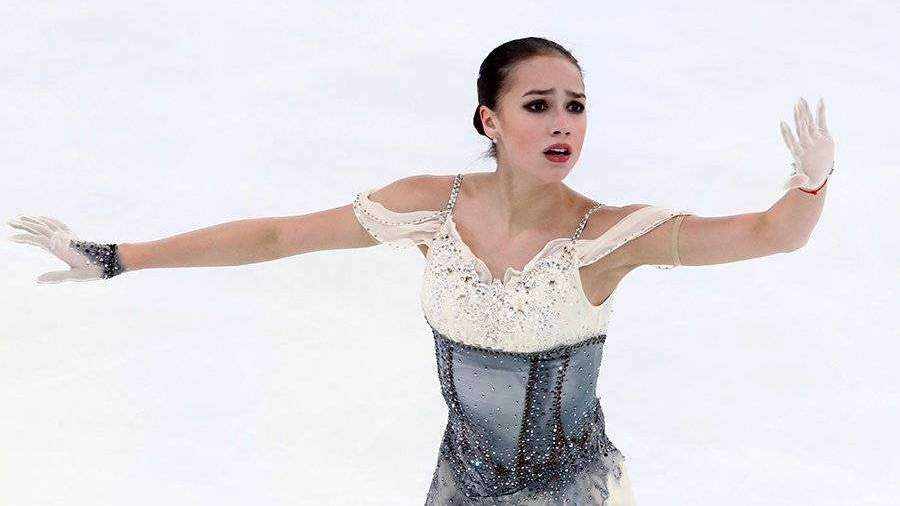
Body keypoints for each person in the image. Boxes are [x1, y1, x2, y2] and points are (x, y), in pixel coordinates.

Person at [7, 36, 835, 505]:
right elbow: (276, 235)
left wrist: (811, 184)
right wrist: (117, 258)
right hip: (458, 485)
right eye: (538, 104)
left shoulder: (606, 236)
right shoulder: (430, 210)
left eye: (576, 105)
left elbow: (772, 235)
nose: (563, 124)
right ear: (490, 118)